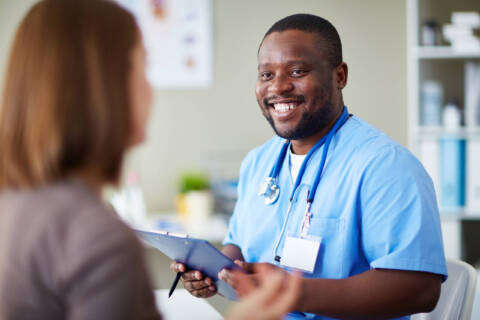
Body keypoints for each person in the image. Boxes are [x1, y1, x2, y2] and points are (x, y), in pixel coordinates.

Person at [0, 1, 301, 319]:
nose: (150, 87)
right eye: (143, 67)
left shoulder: (14, 205)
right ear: (105, 88)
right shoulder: (98, 240)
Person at [171, 13, 448, 320]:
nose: (278, 87)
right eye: (266, 75)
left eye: (297, 71)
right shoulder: (257, 162)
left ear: (339, 76)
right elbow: (238, 244)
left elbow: (421, 289)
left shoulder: (386, 167)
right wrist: (214, 271)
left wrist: (293, 293)